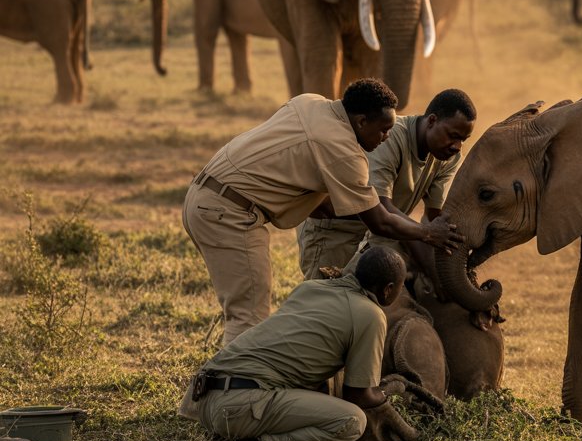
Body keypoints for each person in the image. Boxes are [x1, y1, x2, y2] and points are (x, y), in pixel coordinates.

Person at [182, 78, 463, 344]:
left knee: (251, 309)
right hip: (231, 213)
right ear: (361, 120)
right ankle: (235, 392)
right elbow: (381, 222)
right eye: (382, 130)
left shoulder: (309, 102)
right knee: (249, 316)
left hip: (204, 195)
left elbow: (314, 188)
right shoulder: (343, 151)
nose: (385, 137)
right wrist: (426, 232)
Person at [177, 246, 420, 441]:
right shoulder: (371, 314)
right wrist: (390, 390)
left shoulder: (311, 288)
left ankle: (239, 431)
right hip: (237, 409)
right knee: (352, 421)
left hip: (204, 402)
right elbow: (358, 396)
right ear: (388, 289)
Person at [297, 88, 476, 281]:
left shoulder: (451, 158)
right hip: (335, 229)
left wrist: (445, 271)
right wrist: (428, 243)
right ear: (432, 121)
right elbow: (382, 209)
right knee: (325, 300)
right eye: (452, 135)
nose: (457, 146)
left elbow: (436, 219)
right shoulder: (388, 135)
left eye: (463, 140)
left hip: (383, 232)